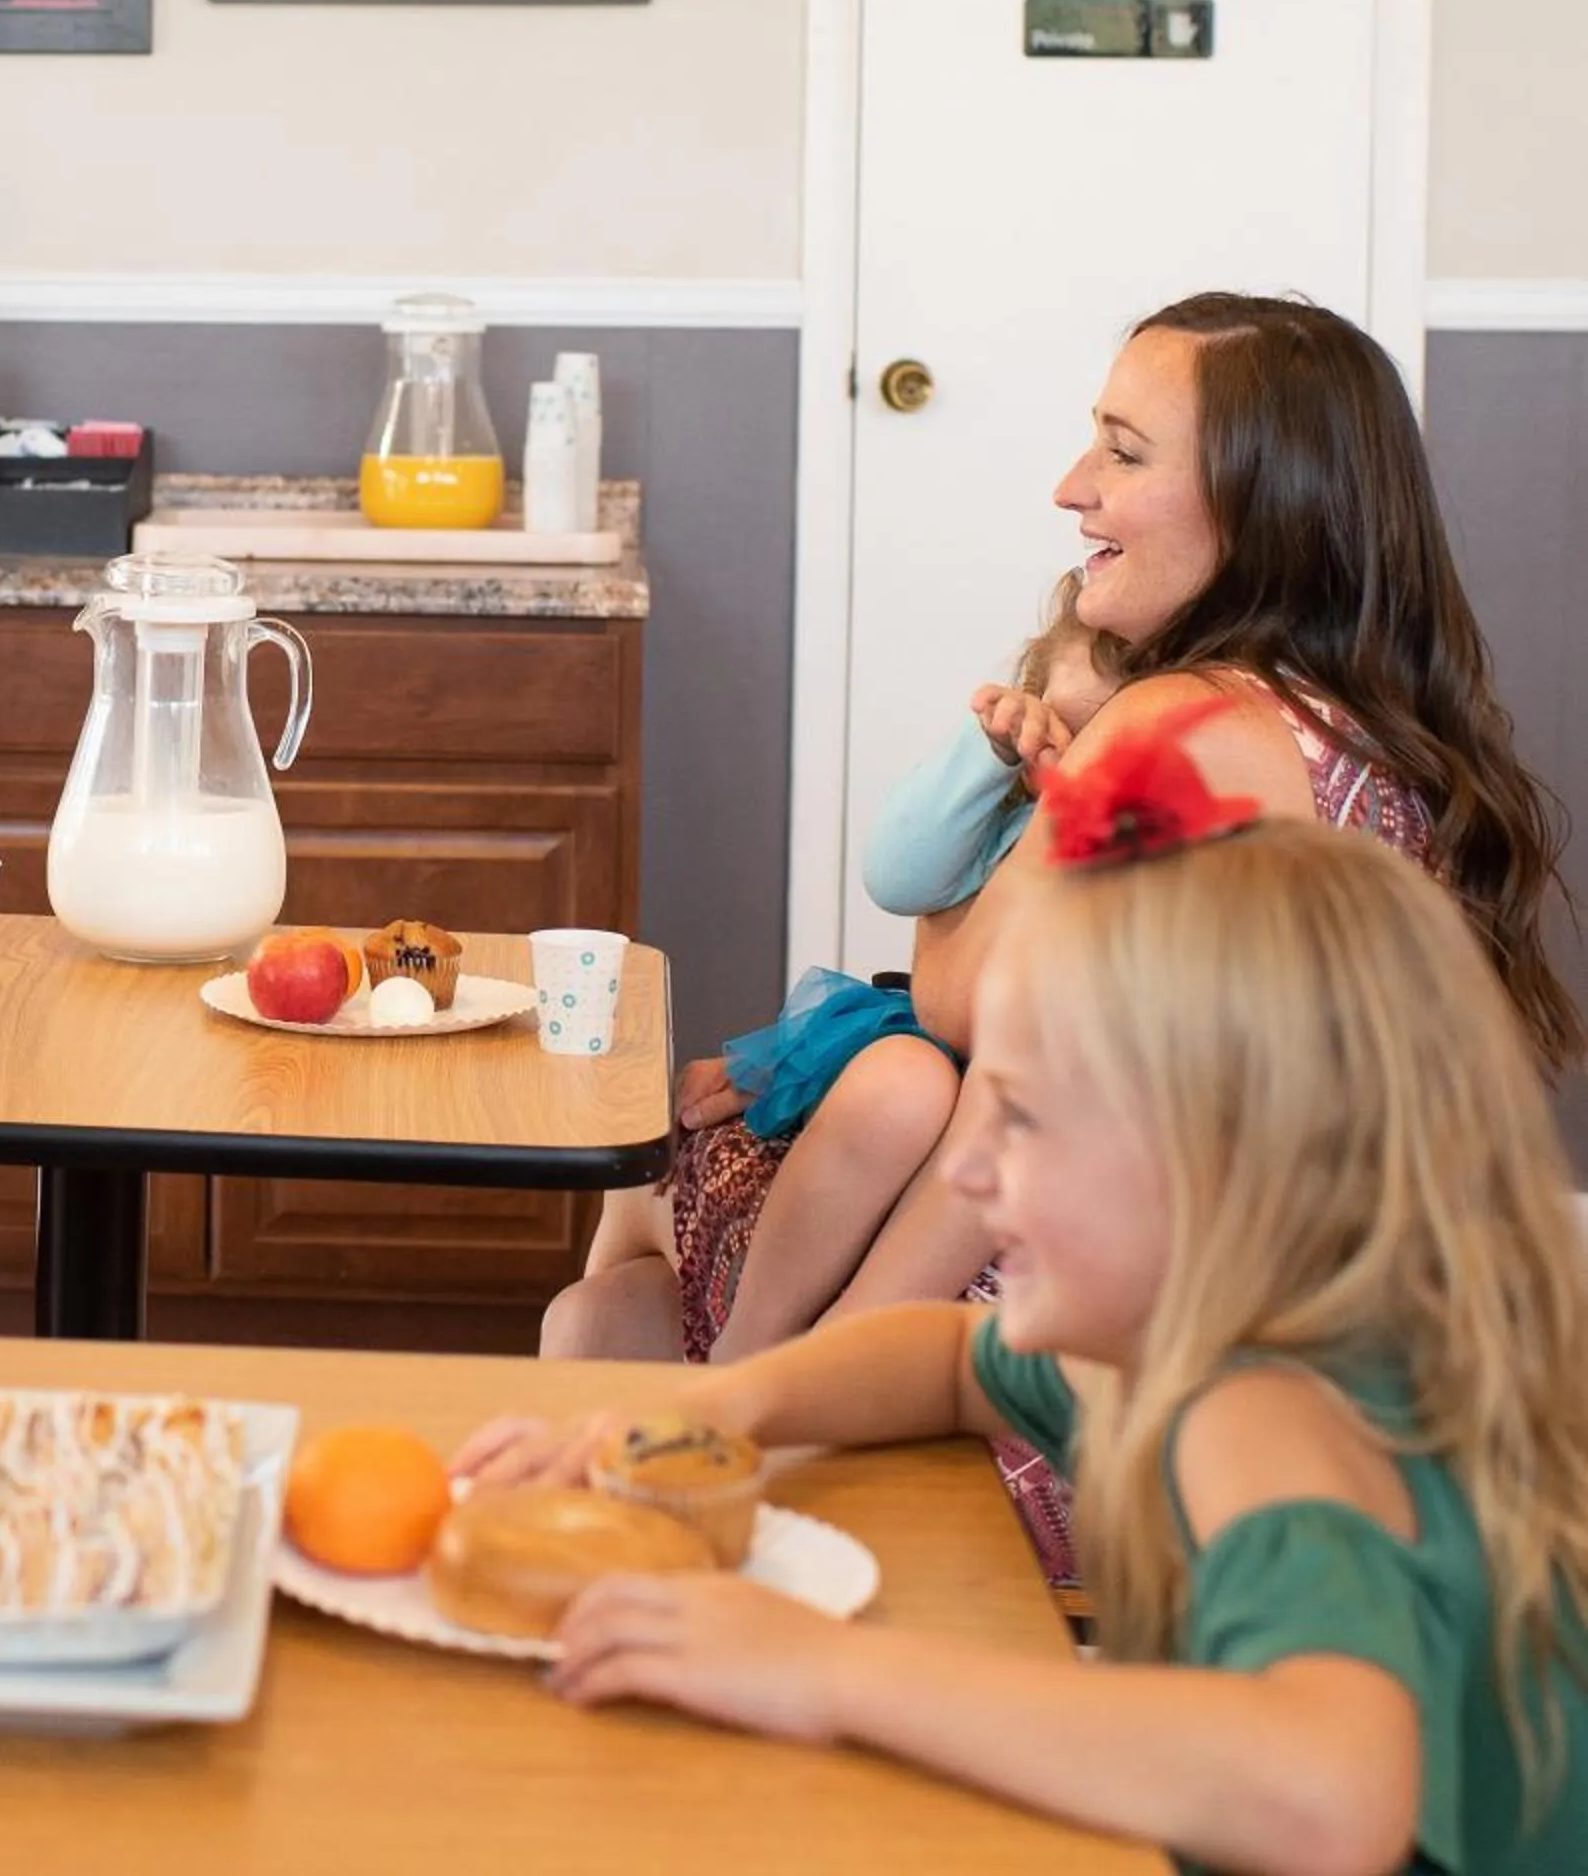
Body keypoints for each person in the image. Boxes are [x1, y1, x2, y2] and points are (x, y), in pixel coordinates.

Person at [458, 734, 1588, 1876]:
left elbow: (1326, 1802)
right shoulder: (1173, 1352)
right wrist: (728, 1410)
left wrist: (828, 1672)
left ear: (1218, 1171)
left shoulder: (1273, 1415)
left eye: (1027, 1123)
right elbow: (948, 1360)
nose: (971, 1174)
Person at [552, 293, 1582, 1375]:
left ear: (1265, 503)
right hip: (1284, 1304)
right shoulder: (1369, 738)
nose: (1071, 487)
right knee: (620, 1290)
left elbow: (968, 1009)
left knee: (638, 1202)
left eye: (1123, 454)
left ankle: (707, 1470)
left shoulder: (1180, 725)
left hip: (1069, 1324)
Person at [672, 575, 1118, 1361]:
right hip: (915, 1045)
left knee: (911, 1089)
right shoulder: (1001, 819)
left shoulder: (1144, 849)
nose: (1069, 762)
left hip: (1018, 1091)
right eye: (1056, 727)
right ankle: (754, 1337)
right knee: (901, 1083)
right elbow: (895, 875)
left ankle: (779, 1337)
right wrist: (986, 754)